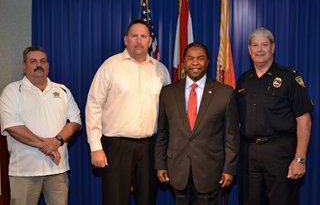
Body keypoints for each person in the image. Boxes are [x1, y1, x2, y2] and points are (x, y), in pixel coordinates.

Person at [85, 19, 171, 205]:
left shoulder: (161, 70)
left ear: (150, 41)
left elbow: (169, 112)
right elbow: (93, 105)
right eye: (134, 36)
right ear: (126, 40)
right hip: (116, 147)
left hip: (150, 147)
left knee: (147, 199)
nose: (138, 41)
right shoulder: (110, 66)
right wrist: (95, 146)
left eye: (143, 36)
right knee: (114, 199)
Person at [236, 27, 314, 205]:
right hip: (249, 153)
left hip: (280, 153)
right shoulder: (243, 80)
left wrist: (299, 159)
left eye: (264, 45)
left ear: (273, 48)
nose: (260, 49)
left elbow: (304, 120)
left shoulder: (289, 77)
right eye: (255, 45)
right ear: (249, 50)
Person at [155, 42, 240, 205]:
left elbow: (231, 136)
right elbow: (163, 132)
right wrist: (160, 164)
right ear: (183, 63)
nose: (195, 63)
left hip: (210, 171)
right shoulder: (168, 92)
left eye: (200, 58)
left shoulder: (225, 93)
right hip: (177, 169)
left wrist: (229, 168)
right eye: (190, 58)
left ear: (207, 62)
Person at [0, 46, 81, 205]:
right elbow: (13, 127)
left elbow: (75, 121)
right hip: (24, 171)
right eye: (33, 61)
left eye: (43, 61)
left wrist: (56, 141)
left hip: (58, 171)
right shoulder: (12, 91)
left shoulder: (62, 90)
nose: (39, 64)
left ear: (48, 65)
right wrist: (47, 146)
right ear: (24, 66)